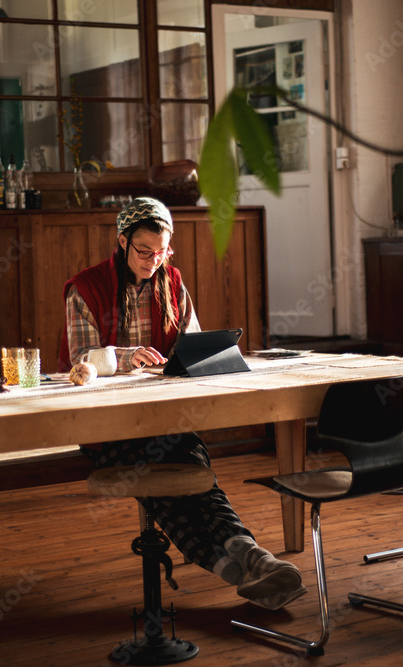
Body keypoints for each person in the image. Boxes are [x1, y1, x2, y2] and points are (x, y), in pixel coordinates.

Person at [59, 197, 306, 610]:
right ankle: (250, 567)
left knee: (197, 478)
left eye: (162, 252)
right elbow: (81, 358)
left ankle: (254, 562)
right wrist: (124, 356)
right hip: (106, 424)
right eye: (144, 251)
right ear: (122, 242)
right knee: (169, 490)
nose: (154, 261)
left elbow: (191, 347)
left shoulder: (172, 282)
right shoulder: (85, 288)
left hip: (164, 416)